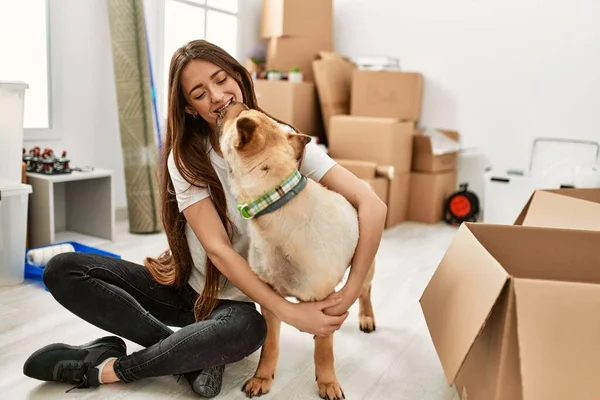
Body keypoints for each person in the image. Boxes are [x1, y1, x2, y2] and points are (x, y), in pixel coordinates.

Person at [22, 40, 387, 397]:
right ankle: (185, 355)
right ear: (190, 108)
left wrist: (351, 290)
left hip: (241, 307)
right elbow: (219, 251)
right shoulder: (185, 159)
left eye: (220, 78)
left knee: (248, 332)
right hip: (191, 290)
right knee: (63, 269)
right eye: (199, 93)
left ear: (239, 76)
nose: (215, 95)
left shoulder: (281, 140)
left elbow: (372, 205)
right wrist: (291, 315)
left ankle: (109, 368)